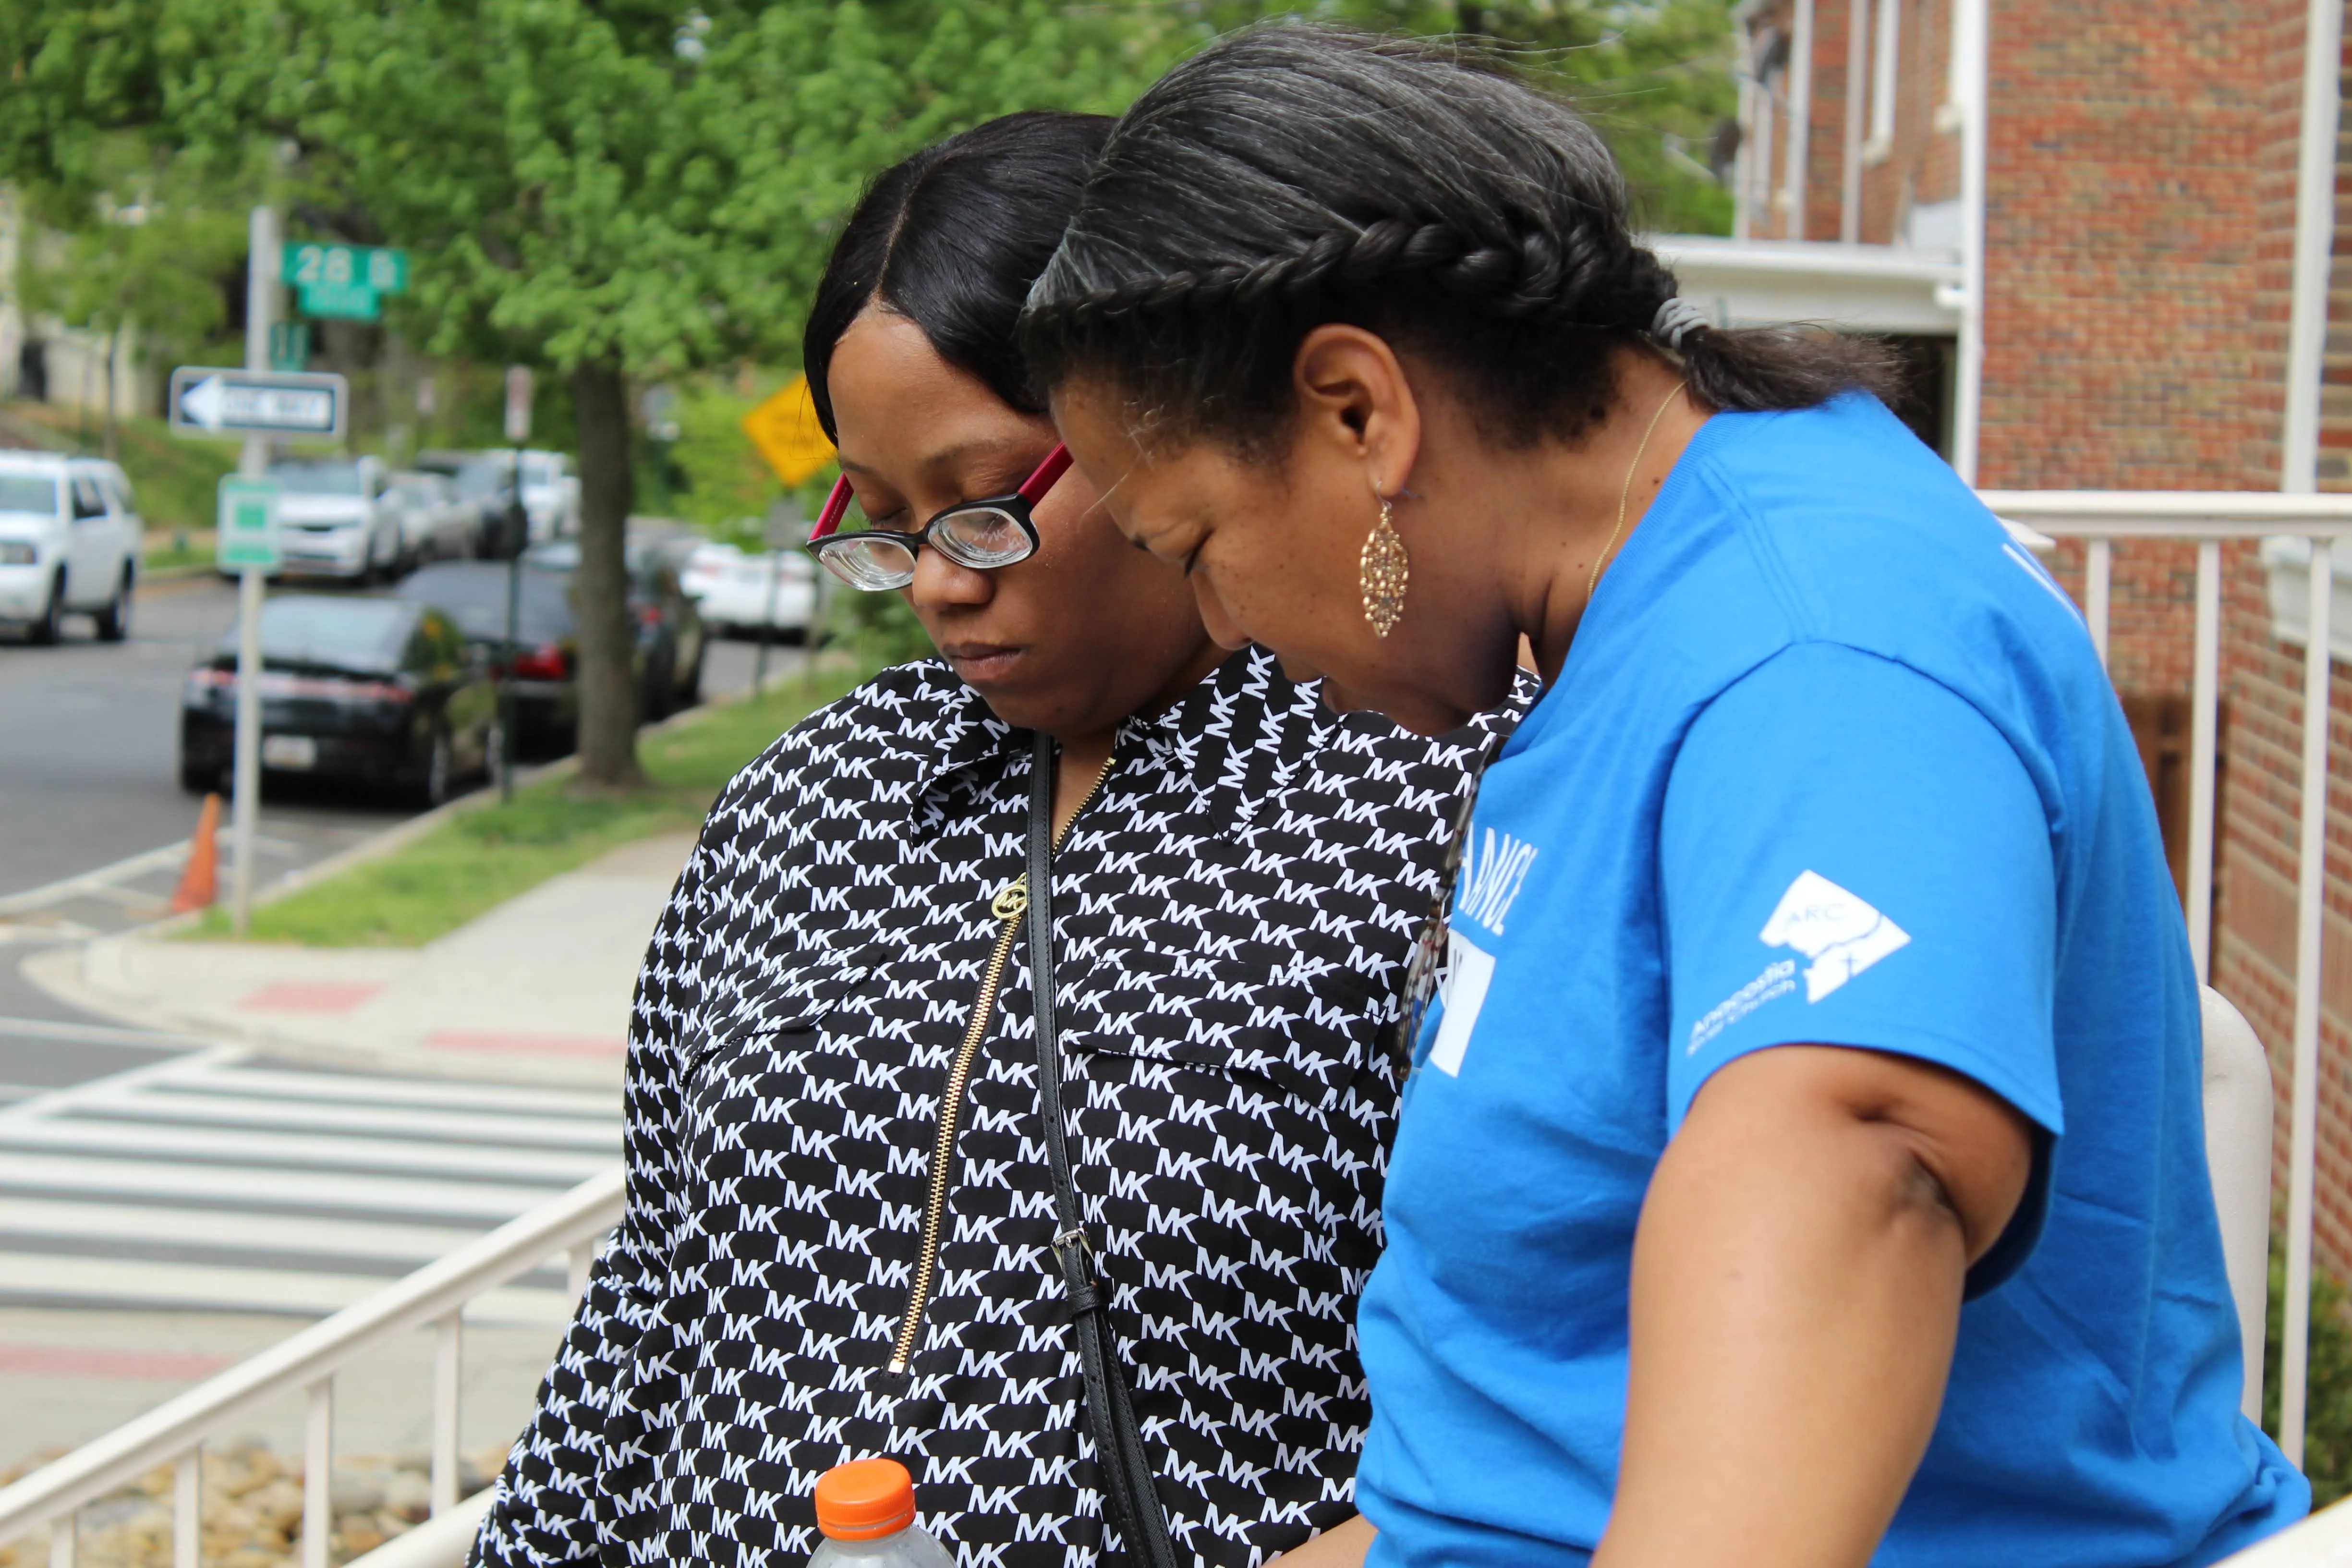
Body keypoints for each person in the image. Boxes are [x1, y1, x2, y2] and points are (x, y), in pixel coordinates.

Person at [1019, 26, 2309, 1568]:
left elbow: (1862, 1147)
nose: (1222, 627)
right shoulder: (1639, 613)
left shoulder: (1816, 646)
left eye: (1192, 545)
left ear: (1359, 410)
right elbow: (1544, 1433)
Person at [470, 111, 1511, 1568]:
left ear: (1162, 420)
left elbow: (1539, 1395)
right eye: (885, 520)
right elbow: (652, 1299)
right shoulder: (815, 795)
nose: (938, 586)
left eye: (983, 503)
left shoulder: (1438, 780)